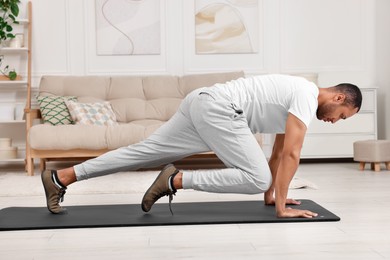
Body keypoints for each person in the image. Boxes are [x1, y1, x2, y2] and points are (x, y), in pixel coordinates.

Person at [41, 74, 362, 218]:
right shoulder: (305, 96)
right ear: (336, 98)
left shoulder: (299, 97)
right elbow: (293, 153)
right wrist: (281, 207)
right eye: (342, 115)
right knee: (256, 176)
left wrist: (271, 198)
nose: (335, 121)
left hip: (203, 102)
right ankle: (175, 179)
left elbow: (280, 152)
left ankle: (62, 177)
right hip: (219, 109)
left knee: (143, 152)